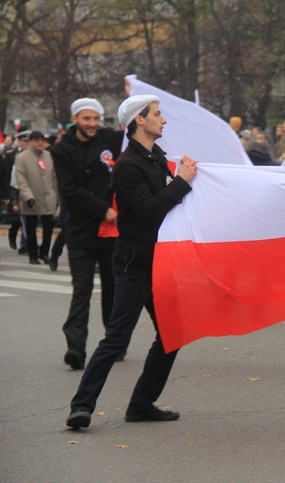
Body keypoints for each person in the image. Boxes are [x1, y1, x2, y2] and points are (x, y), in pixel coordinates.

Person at [65, 94, 197, 429]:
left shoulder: (155, 158)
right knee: (116, 339)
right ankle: (81, 406)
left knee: (172, 333)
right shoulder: (127, 166)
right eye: (157, 114)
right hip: (134, 264)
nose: (163, 120)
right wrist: (181, 182)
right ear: (140, 119)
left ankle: (141, 404)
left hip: (159, 261)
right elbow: (150, 209)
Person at [51, 98, 124, 370]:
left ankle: (115, 342)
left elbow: (136, 132)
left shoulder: (111, 139)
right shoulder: (61, 150)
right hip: (82, 229)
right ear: (75, 120)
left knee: (112, 288)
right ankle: (76, 348)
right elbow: (68, 191)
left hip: (110, 231)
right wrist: (103, 209)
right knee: (81, 290)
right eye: (86, 119)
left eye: (96, 119)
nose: (92, 124)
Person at [15, 131, 58, 264]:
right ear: (31, 141)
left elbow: (54, 177)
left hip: (48, 197)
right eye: (36, 140)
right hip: (31, 198)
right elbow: (21, 179)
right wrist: (28, 196)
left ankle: (44, 252)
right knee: (31, 227)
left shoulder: (49, 155)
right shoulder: (22, 157)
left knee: (48, 225)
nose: (40, 142)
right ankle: (33, 254)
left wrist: (56, 195)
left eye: (42, 140)